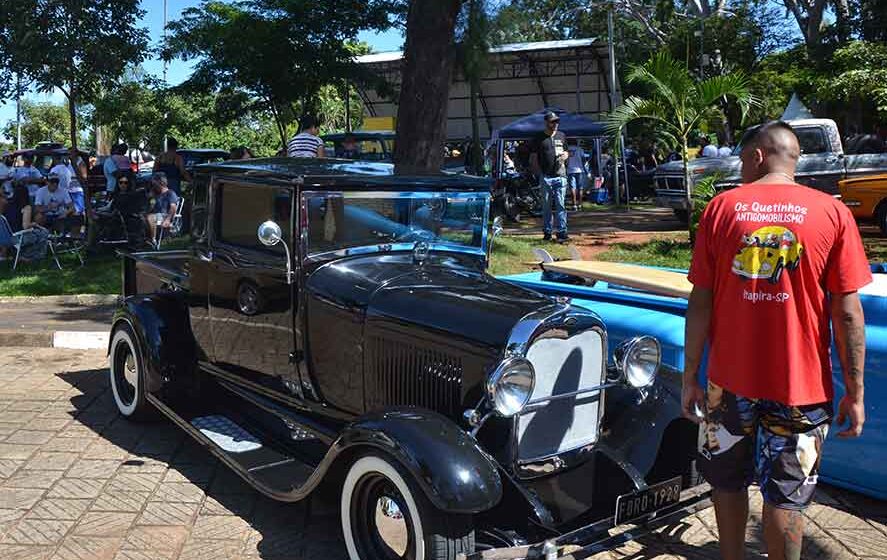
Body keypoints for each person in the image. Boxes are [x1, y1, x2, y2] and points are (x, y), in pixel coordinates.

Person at [683, 121, 870, 560]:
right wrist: (856, 393)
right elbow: (847, 313)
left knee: (727, 482)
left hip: (728, 385)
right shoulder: (832, 212)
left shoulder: (721, 208)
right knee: (787, 498)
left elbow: (701, 302)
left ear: (757, 156)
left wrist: (691, 375)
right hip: (801, 390)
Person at [529, 111, 569, 242]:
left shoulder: (562, 135)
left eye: (557, 121)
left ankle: (562, 232)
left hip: (560, 176)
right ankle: (547, 232)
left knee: (560, 204)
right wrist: (538, 173)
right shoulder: (539, 138)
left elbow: (567, 151)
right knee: (546, 206)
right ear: (546, 122)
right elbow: (534, 157)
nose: (556, 124)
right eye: (553, 121)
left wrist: (566, 155)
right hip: (546, 177)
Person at [6, 184, 49, 261]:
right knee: (44, 232)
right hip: (19, 237)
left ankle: (22, 253)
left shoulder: (9, 205)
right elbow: (26, 226)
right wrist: (35, 224)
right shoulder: (26, 207)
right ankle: (32, 256)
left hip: (8, 236)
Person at [147, 172, 179, 242]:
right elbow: (150, 207)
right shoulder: (155, 194)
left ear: (161, 183)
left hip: (164, 215)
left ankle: (153, 240)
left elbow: (173, 208)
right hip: (155, 214)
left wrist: (168, 219)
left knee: (150, 217)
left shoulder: (170, 193)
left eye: (155, 184)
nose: (154, 186)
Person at [566, 139, 586, 211]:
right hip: (579, 170)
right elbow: (584, 160)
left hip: (570, 170)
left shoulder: (566, 149)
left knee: (572, 187)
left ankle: (574, 204)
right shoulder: (580, 149)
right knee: (580, 188)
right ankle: (580, 204)